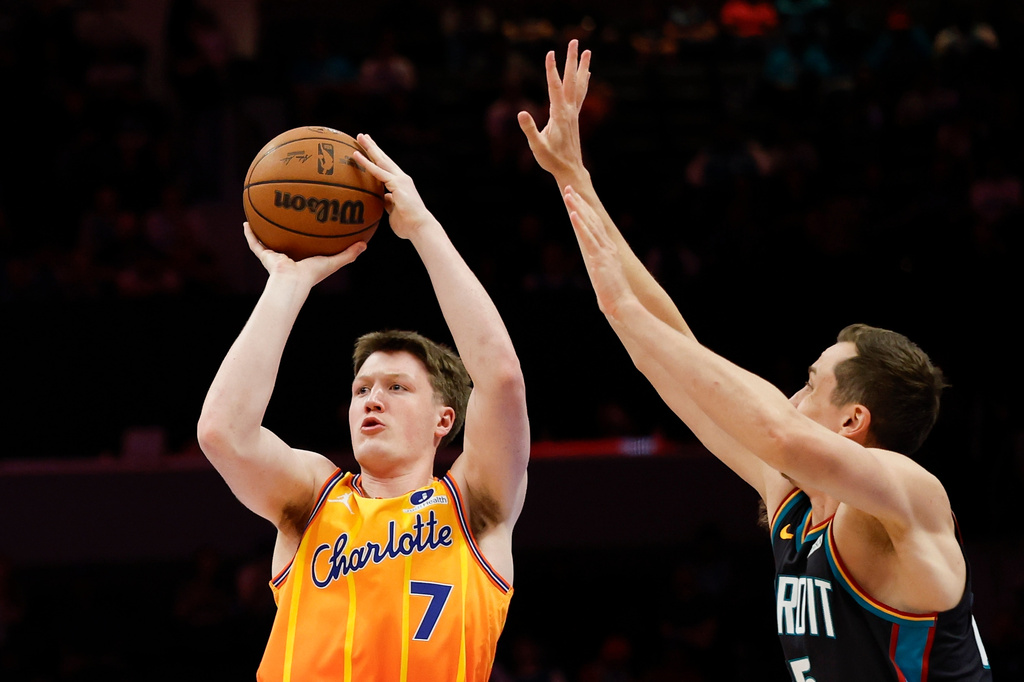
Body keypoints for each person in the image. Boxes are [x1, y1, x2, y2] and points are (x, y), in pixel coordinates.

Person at [519, 41, 992, 681]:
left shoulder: (905, 496)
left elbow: (776, 428)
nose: (793, 395)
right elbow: (676, 356)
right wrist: (574, 178)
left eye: (810, 382)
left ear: (854, 420)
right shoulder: (792, 497)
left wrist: (622, 311)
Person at [197, 133, 529, 681]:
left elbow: (500, 378)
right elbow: (222, 434)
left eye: (397, 387)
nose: (373, 397)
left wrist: (422, 227)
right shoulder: (312, 500)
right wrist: (287, 283)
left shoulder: (474, 506)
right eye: (362, 389)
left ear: (444, 420)